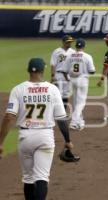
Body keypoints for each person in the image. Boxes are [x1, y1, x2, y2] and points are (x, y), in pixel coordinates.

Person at [0, 58, 76, 200]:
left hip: (25, 137)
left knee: (28, 178)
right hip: (45, 136)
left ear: (28, 70)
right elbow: (61, 118)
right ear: (43, 70)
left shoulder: (18, 89)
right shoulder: (53, 89)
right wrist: (67, 140)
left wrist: (0, 142)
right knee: (42, 177)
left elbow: (9, 117)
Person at [62, 38, 96, 131]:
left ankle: (79, 122)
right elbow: (92, 71)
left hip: (72, 80)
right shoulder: (87, 56)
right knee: (81, 103)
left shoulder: (69, 56)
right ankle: (73, 122)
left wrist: (68, 79)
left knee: (76, 102)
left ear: (76, 46)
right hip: (82, 80)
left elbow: (64, 71)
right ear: (84, 46)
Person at [50, 35, 76, 109]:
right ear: (63, 42)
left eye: (70, 42)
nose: (70, 44)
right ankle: (56, 110)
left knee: (65, 94)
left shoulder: (73, 52)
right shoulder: (57, 51)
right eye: (68, 42)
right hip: (58, 74)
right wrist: (53, 76)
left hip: (68, 75)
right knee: (57, 93)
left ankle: (63, 111)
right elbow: (53, 64)